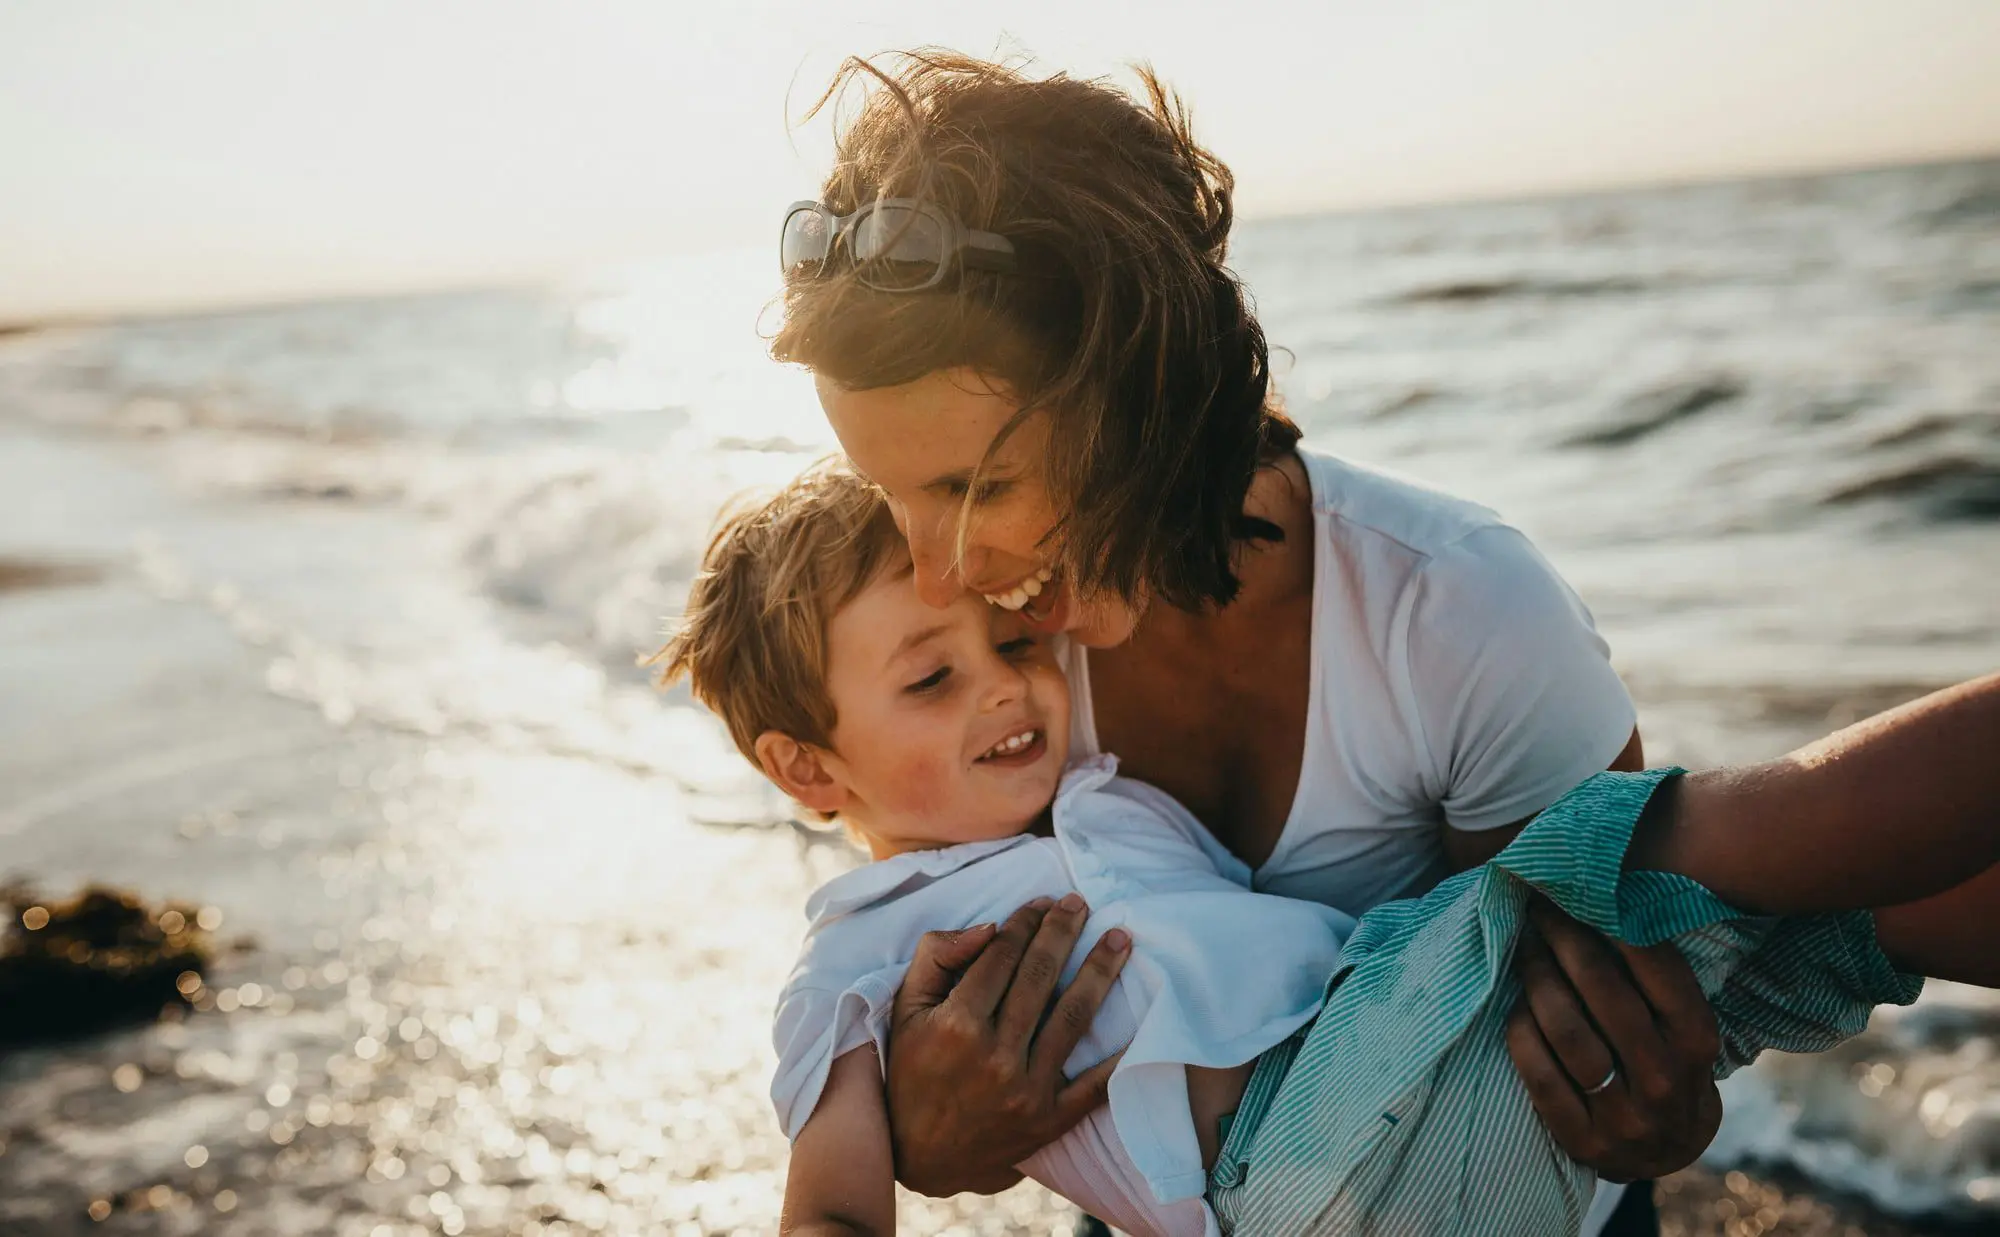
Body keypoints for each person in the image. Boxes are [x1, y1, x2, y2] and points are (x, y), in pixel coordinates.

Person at [771, 50, 1733, 1231]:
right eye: (889, 495)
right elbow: (923, 933)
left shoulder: (1456, 614)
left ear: (1145, 393)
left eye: (978, 484)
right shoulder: (986, 659)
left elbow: (1602, 1019)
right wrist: (926, 1133)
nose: (936, 569)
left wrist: (1657, 1112)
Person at [653, 463, 2000, 1237]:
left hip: (1433, 1108)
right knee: (1656, 849)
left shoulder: (1107, 797)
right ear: (806, 768)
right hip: (1291, 1165)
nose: (1007, 687)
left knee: (1849, 921)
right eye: (929, 682)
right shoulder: (862, 945)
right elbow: (830, 1205)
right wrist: (919, 1140)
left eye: (1010, 642)